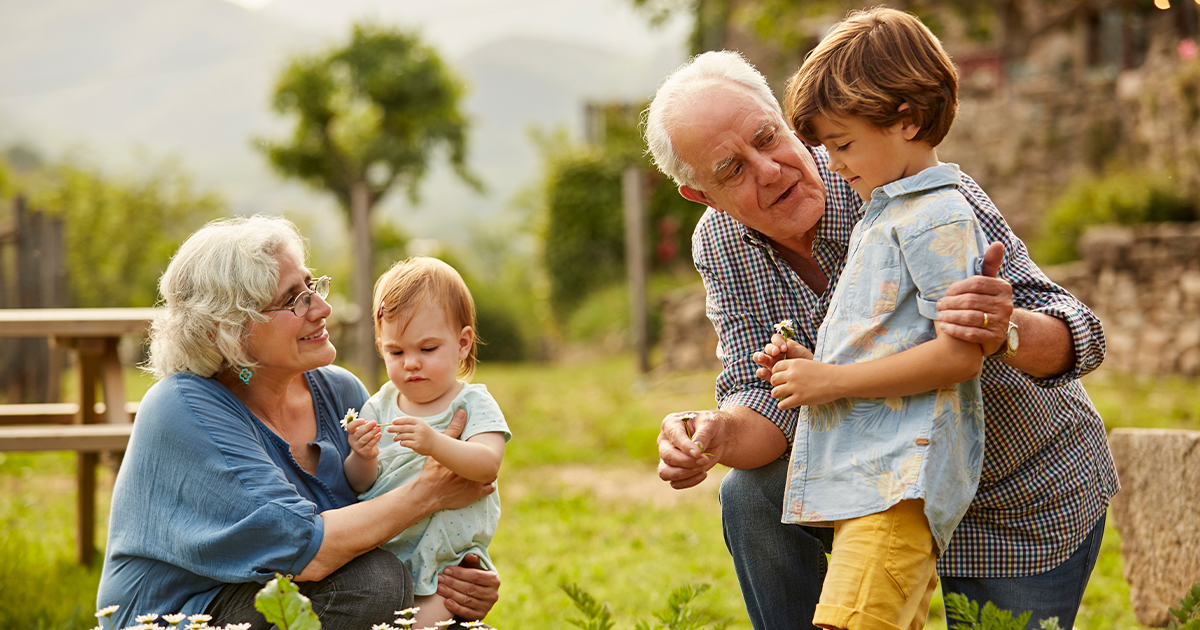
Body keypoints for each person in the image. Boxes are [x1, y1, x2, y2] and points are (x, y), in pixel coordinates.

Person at [644, 47, 1118, 629]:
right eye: (731, 170)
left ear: (787, 120)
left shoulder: (904, 183)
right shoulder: (721, 242)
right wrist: (714, 433)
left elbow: (1081, 335)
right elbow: (764, 398)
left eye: (768, 138)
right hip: (878, 491)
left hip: (1014, 487)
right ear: (702, 195)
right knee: (750, 495)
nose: (768, 170)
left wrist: (1005, 330)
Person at [97, 216, 500, 630]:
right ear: (227, 331)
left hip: (302, 594)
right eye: (294, 300)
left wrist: (458, 577)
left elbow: (383, 512)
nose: (322, 308)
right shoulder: (182, 407)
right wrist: (428, 493)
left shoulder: (341, 392)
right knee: (373, 583)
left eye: (312, 286)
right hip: (187, 614)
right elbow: (306, 550)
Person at [762, 9, 989, 628]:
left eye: (843, 144)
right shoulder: (886, 211)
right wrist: (814, 368)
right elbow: (890, 339)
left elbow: (959, 354)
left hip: (901, 482)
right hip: (871, 480)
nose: (833, 165)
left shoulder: (938, 217)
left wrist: (830, 384)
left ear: (907, 120)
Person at [344, 257, 510, 628]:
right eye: (396, 352)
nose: (411, 364)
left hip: (448, 563)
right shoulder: (379, 404)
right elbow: (360, 484)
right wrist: (363, 456)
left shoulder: (471, 403)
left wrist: (436, 443)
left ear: (463, 344)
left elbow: (487, 464)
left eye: (428, 349)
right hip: (387, 552)